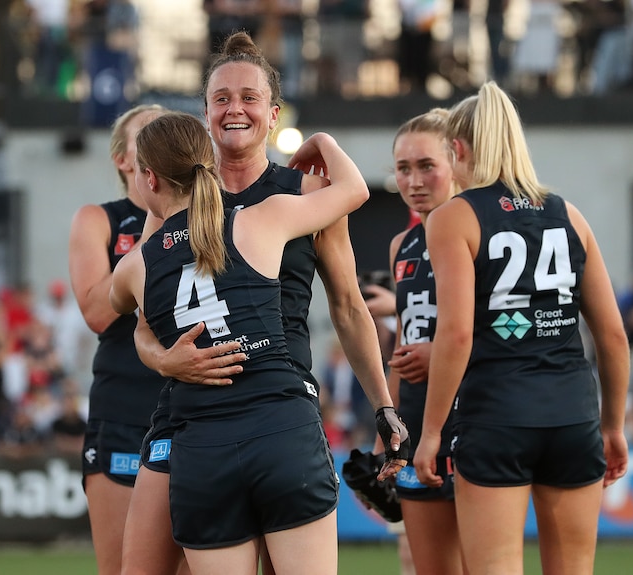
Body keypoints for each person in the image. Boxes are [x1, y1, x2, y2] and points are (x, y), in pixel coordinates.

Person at [122, 32, 407, 575]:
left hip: (277, 408)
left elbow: (348, 307)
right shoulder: (171, 204)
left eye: (249, 97)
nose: (235, 108)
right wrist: (164, 360)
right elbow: (140, 321)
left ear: (273, 114)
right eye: (222, 98)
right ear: (205, 113)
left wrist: (384, 405)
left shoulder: (303, 194)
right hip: (189, 414)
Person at [413, 81, 630, 575]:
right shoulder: (569, 215)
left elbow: (457, 335)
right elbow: (613, 337)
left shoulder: (454, 217)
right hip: (573, 416)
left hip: (497, 417)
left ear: (459, 149)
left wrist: (429, 433)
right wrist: (612, 425)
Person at [67, 103, 171, 575]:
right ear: (123, 160)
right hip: (125, 408)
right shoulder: (100, 219)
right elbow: (94, 312)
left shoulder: (207, 218)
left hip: (195, 409)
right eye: (146, 134)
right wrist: (157, 233)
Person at [386, 109, 466, 575]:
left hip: (474, 416)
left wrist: (441, 352)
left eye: (425, 166)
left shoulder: (478, 228)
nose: (414, 181)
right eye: (402, 168)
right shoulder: (403, 245)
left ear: (454, 161)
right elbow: (403, 337)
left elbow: (506, 327)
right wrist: (389, 422)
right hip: (416, 421)